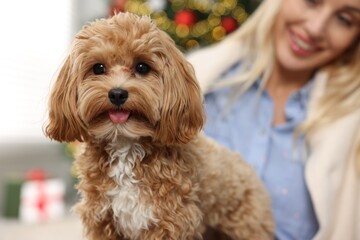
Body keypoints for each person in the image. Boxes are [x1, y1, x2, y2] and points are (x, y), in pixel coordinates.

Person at [187, 0, 360, 239]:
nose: (315, 28)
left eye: (345, 19)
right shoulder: (201, 82)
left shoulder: (352, 132)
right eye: (311, 1)